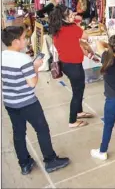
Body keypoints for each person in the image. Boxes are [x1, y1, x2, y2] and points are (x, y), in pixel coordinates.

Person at [1, 26, 70, 175]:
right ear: (15, 42)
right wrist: (36, 68)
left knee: (18, 132)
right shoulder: (23, 58)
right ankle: (50, 160)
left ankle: (24, 164)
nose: (26, 40)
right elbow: (32, 83)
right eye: (24, 38)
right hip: (27, 102)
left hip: (10, 102)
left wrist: (30, 68)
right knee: (42, 129)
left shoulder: (3, 55)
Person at [49, 4, 94, 128]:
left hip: (65, 64)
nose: (73, 15)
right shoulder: (73, 28)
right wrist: (77, 23)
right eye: (70, 14)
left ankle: (79, 112)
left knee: (78, 88)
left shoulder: (56, 29)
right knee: (77, 92)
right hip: (74, 65)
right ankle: (72, 120)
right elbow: (86, 36)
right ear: (64, 18)